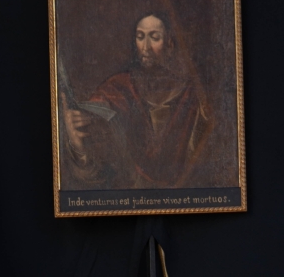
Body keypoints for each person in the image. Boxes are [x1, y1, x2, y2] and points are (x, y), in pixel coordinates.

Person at [61, 12, 219, 190]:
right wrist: (77, 147)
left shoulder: (191, 97)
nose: (146, 47)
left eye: (154, 37)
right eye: (140, 37)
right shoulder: (116, 89)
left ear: (170, 44)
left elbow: (203, 162)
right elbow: (95, 171)